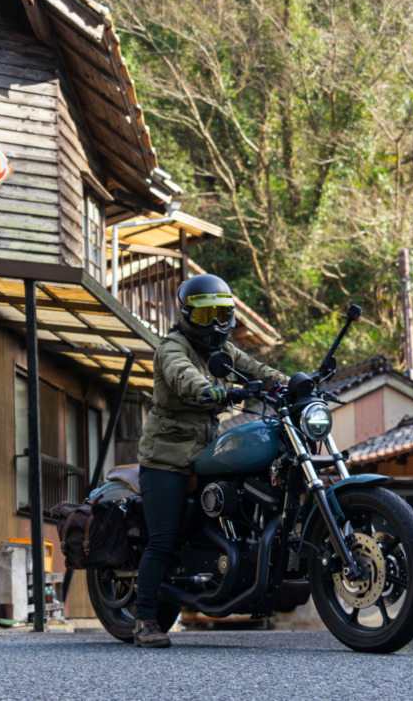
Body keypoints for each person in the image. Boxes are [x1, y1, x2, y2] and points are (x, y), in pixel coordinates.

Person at [132, 273, 287, 648]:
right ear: (186, 316)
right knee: (163, 540)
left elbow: (258, 370)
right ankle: (145, 620)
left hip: (204, 452)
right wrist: (209, 390)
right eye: (206, 316)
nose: (216, 325)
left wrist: (290, 382)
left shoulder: (224, 352)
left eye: (223, 314)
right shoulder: (172, 346)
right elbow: (182, 375)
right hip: (167, 457)